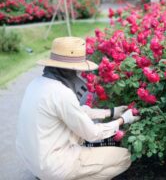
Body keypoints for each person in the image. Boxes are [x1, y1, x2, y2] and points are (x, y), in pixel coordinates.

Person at [16, 37, 140, 180]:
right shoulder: (61, 93)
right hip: (53, 165)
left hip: (32, 159)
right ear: (69, 70)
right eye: (77, 71)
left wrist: (111, 112)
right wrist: (122, 120)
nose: (79, 74)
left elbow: (75, 112)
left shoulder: (37, 83)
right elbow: (92, 134)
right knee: (124, 157)